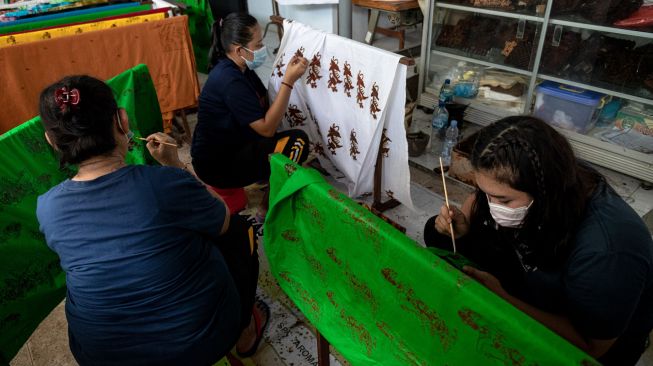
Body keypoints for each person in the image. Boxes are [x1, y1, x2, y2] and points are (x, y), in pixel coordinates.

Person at [36, 75, 269, 365]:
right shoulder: (164, 183)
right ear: (122, 120)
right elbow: (221, 217)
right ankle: (244, 331)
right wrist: (176, 164)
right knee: (237, 229)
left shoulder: (47, 207)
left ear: (51, 140)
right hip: (196, 345)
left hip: (100, 356)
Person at [424, 116, 653, 365]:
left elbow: (591, 346)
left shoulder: (607, 250)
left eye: (503, 201)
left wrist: (499, 298)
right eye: (486, 193)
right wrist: (464, 224)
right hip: (540, 275)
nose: (492, 207)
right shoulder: (551, 174)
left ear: (545, 193)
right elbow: (480, 198)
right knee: (438, 235)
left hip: (589, 341)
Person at [191, 13, 310, 217]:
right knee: (297, 142)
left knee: (274, 125)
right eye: (258, 44)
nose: (262, 48)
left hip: (226, 148)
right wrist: (288, 81)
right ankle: (267, 206)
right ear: (239, 50)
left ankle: (263, 173)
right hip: (216, 166)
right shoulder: (230, 80)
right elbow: (266, 128)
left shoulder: (239, 67)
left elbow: (264, 102)